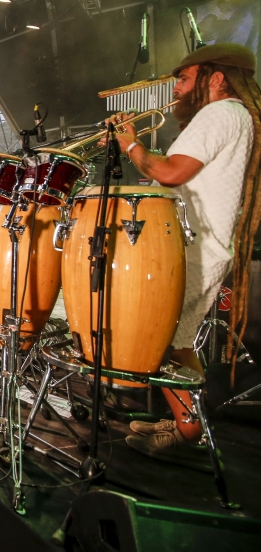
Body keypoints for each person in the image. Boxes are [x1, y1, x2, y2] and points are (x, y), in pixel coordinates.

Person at [108, 44, 260, 463]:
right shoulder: (237, 116)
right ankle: (186, 422)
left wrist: (130, 145)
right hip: (203, 247)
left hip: (192, 252)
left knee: (161, 342)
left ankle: (189, 430)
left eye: (184, 78)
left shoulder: (219, 113)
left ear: (215, 78)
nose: (177, 87)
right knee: (178, 341)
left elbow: (171, 172)